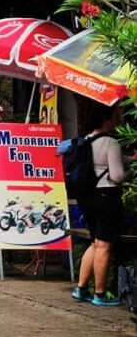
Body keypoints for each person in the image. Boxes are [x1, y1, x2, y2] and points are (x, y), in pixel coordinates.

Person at [71, 103, 127, 306]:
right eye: (115, 115)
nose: (118, 119)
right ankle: (100, 294)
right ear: (107, 118)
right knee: (104, 245)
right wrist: (129, 171)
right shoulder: (111, 143)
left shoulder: (87, 140)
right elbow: (117, 176)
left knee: (95, 242)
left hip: (87, 197)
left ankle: (81, 287)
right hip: (106, 197)